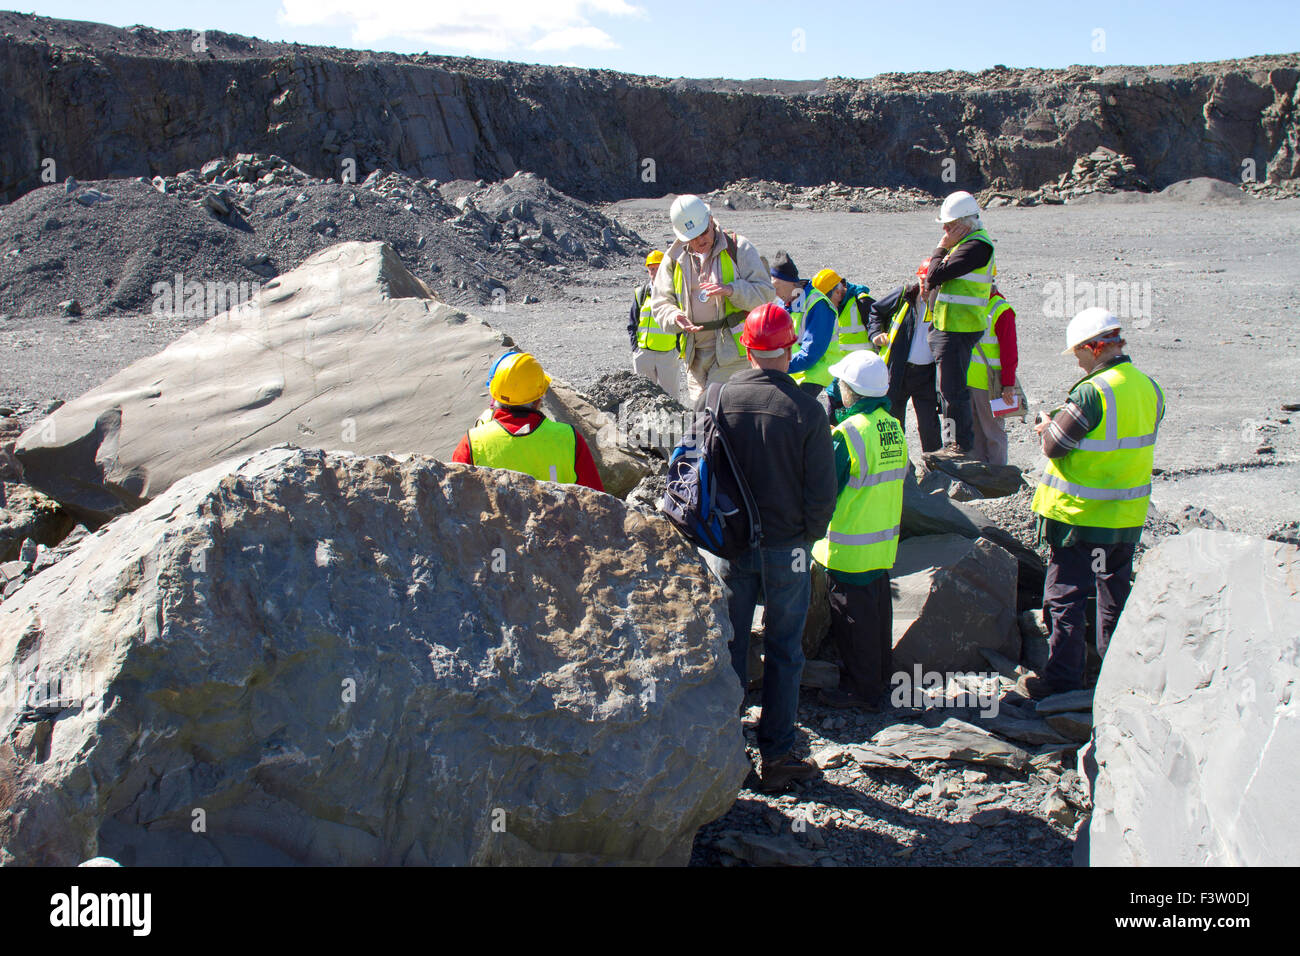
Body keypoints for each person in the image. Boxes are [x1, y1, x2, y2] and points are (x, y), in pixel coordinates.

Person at [703, 302, 838, 792]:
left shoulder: (718, 397)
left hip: (731, 545)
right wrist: (806, 537)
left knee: (731, 644)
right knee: (784, 649)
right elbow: (822, 496)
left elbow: (704, 473)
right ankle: (778, 755)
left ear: (747, 346)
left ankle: (723, 750)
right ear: (789, 347)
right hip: (789, 549)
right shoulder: (806, 410)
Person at [1016, 308, 1165, 699]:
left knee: (1065, 599)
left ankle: (1062, 680)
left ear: (1093, 347)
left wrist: (1047, 426)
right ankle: (1113, 679)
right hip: (1125, 518)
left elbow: (1055, 446)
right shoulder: (1149, 387)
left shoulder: (1091, 391)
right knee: (1113, 597)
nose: (1078, 361)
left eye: (1078, 353)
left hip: (1079, 520)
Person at [812, 351, 908, 710]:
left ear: (851, 391)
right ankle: (880, 677)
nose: (836, 388)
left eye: (841, 383)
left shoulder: (848, 434)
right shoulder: (893, 426)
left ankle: (861, 690)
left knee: (853, 624)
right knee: (878, 614)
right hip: (881, 544)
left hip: (848, 547)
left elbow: (824, 492)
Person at [649, 195, 773, 403]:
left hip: (732, 354)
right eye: (692, 237)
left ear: (711, 220)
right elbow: (660, 303)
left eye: (703, 232)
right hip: (694, 356)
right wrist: (674, 316)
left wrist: (732, 291)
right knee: (702, 418)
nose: (700, 241)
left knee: (723, 412)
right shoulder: (673, 259)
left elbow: (766, 295)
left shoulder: (738, 248)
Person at [453, 350, 605, 492]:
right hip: (558, 520)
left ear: (494, 395)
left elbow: (452, 500)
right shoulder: (569, 438)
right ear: (539, 399)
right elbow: (600, 503)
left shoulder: (472, 443)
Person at [921, 190, 996, 457]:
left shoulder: (976, 246)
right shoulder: (967, 243)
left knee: (952, 390)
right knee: (948, 389)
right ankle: (956, 443)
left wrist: (941, 245)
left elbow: (935, 274)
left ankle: (958, 445)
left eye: (950, 225)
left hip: (959, 326)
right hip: (952, 324)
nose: (945, 229)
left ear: (965, 223)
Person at [867, 262, 942, 453]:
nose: (926, 287)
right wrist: (876, 333)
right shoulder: (905, 295)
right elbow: (875, 310)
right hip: (899, 370)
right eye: (923, 281)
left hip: (927, 375)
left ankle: (934, 468)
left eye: (931, 283)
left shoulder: (943, 302)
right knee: (893, 422)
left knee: (929, 425)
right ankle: (897, 466)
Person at [787, 268, 873, 395]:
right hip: (838, 373)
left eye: (826, 298)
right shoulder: (827, 308)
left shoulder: (862, 303)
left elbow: (879, 330)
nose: (823, 303)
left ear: (838, 292)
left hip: (862, 375)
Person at [967, 283, 1019, 465]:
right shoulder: (974, 303)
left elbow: (1010, 352)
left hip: (991, 385)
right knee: (975, 433)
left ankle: (998, 477)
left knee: (994, 433)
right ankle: (981, 476)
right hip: (971, 381)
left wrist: (1008, 385)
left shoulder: (1002, 310)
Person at [628, 250, 679, 391]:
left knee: (671, 400)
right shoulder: (641, 293)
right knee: (644, 397)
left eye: (658, 268)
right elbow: (632, 323)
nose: (655, 272)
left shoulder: (675, 293)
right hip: (644, 355)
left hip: (668, 354)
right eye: (652, 269)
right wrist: (635, 348)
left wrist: (678, 350)